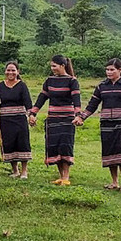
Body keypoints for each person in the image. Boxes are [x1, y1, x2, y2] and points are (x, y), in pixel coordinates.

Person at [79, 58, 121, 192]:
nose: (109, 72)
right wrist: (82, 117)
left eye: (112, 69)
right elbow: (92, 104)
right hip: (106, 122)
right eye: (107, 69)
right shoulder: (101, 86)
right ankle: (114, 182)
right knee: (110, 151)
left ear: (120, 70)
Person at [28, 55, 82, 185]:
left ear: (62, 66)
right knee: (55, 147)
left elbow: (76, 100)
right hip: (53, 119)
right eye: (51, 66)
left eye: (54, 66)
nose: (52, 69)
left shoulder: (72, 81)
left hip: (67, 119)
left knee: (65, 146)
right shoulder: (49, 81)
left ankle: (66, 177)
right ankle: (60, 176)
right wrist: (33, 113)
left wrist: (78, 115)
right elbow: (42, 98)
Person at [0, 61, 33, 179]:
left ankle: (24, 171)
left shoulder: (22, 86)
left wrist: (31, 116)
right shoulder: (0, 86)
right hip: (5, 120)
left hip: (20, 120)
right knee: (9, 143)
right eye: (8, 70)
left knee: (22, 143)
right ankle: (15, 170)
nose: (10, 72)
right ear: (5, 71)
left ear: (18, 72)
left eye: (13, 70)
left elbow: (28, 102)